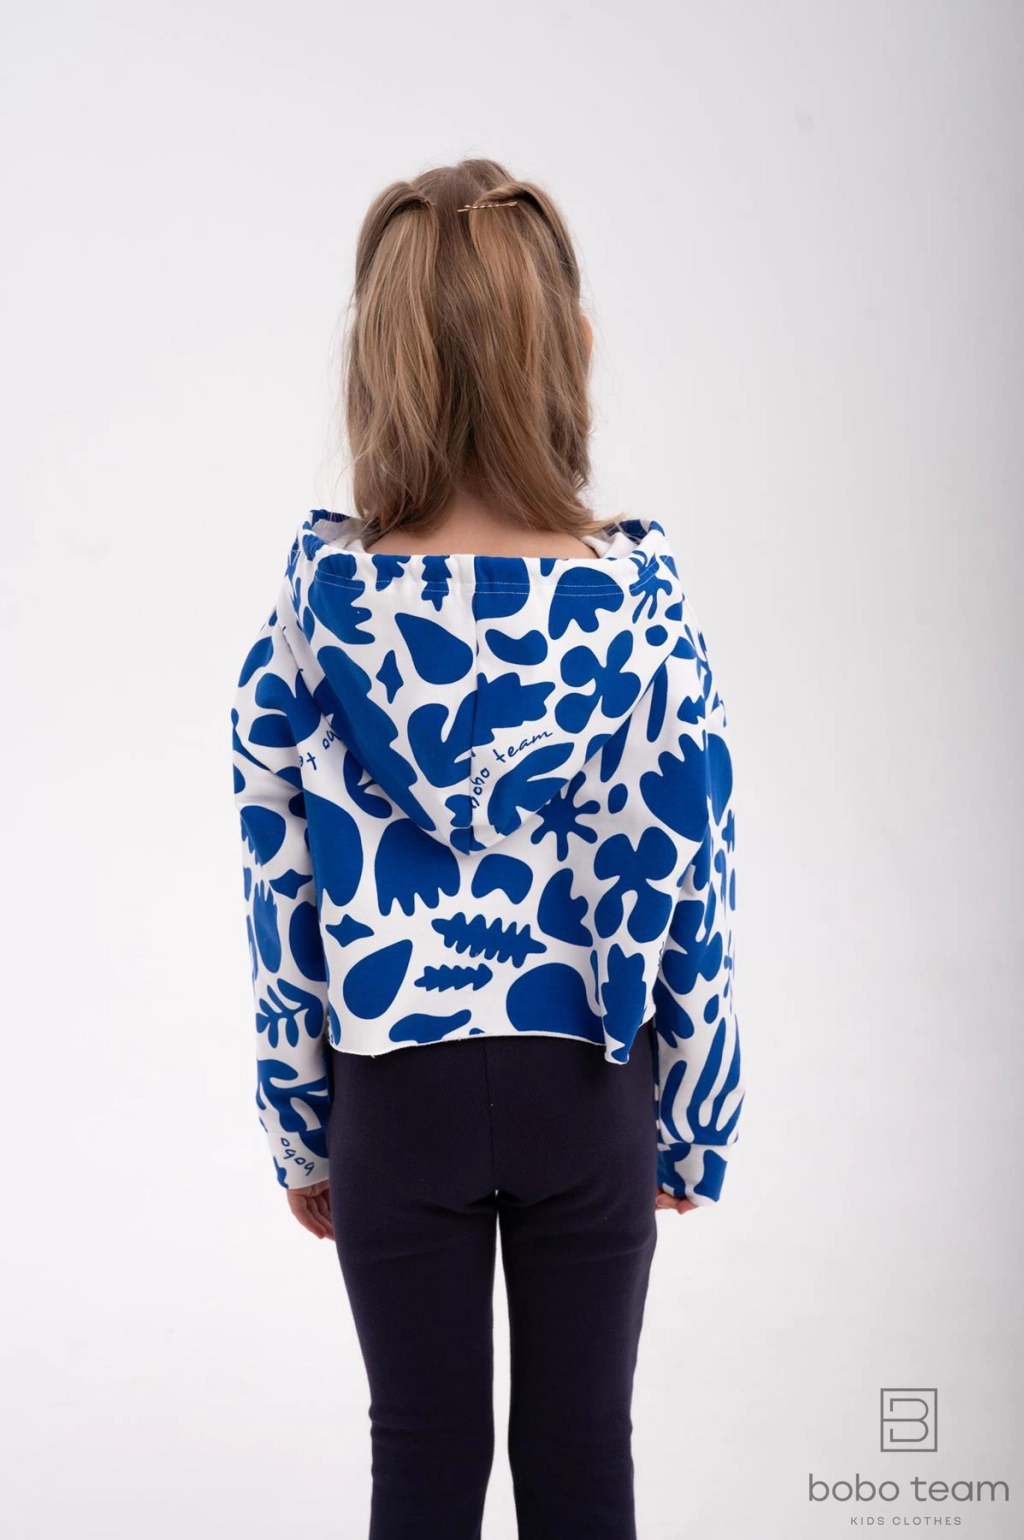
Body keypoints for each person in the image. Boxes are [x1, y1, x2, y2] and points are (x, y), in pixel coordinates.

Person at [229, 157, 745, 1540]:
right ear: (574, 349)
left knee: (421, 1458)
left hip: (393, 1097)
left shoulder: (315, 610)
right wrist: (696, 1113)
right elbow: (691, 862)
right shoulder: (640, 604)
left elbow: (277, 882)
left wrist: (301, 1123)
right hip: (590, 1084)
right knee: (583, 1458)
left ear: (375, 365)